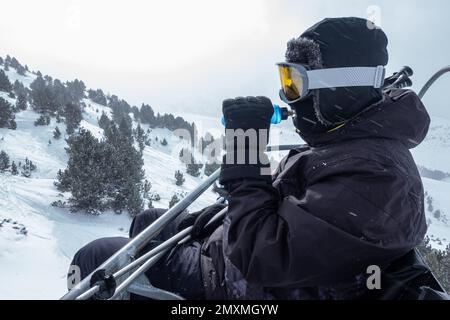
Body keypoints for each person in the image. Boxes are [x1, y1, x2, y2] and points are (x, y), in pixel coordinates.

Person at [69, 17, 429, 300]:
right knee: (149, 221)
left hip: (244, 284)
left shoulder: (377, 176)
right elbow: (295, 209)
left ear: (339, 87)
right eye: (284, 79)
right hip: (249, 260)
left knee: (97, 256)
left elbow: (263, 255)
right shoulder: (351, 141)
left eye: (295, 83)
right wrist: (215, 218)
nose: (287, 97)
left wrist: (245, 153)